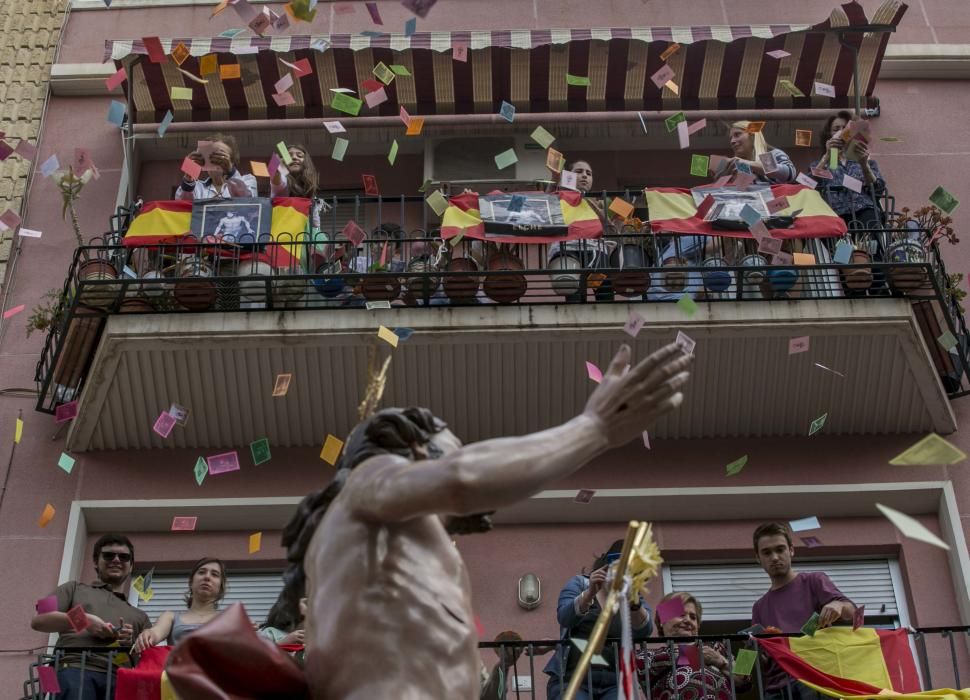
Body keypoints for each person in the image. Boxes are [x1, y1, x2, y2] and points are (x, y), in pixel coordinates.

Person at [277, 342, 691, 699]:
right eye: (454, 448)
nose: (464, 457)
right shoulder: (369, 479)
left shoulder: (403, 547)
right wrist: (593, 428)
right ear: (416, 451)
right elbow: (463, 478)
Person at [30, 533, 150, 699]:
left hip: (121, 681)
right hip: (73, 669)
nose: (116, 560)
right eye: (108, 555)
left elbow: (148, 662)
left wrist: (130, 644)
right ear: (95, 562)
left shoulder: (140, 616)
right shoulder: (71, 588)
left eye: (123, 557)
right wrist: (84, 621)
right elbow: (39, 620)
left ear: (130, 566)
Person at [751, 522, 856, 700]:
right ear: (758, 558)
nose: (775, 557)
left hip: (814, 680)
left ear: (791, 550)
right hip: (775, 691)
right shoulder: (759, 606)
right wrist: (736, 670)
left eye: (780, 549)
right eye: (767, 552)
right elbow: (751, 651)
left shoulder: (814, 581)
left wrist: (838, 605)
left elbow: (852, 613)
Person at [544, 539, 653, 699]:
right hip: (573, 677)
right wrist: (589, 593)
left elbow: (644, 631)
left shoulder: (631, 595)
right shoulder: (580, 583)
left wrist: (633, 601)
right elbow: (565, 617)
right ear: (609, 562)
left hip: (615, 681)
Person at [640, 591, 748, 700]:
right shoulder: (650, 656)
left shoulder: (716, 646)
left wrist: (721, 661)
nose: (687, 620)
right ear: (662, 621)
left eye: (693, 617)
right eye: (681, 615)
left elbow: (746, 681)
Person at [132, 558, 226, 652]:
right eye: (201, 572)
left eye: (214, 574)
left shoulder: (228, 620)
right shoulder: (170, 617)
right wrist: (148, 634)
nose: (207, 577)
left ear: (221, 587)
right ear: (191, 582)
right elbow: (156, 632)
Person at [813, 111, 887, 229]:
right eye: (836, 129)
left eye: (845, 128)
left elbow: (878, 190)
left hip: (863, 209)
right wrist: (827, 156)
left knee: (871, 221)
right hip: (834, 214)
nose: (841, 132)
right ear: (828, 135)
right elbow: (809, 184)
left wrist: (864, 165)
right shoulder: (825, 163)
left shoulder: (867, 161)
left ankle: (870, 246)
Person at [176, 133, 257, 201]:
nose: (216, 161)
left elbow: (248, 202)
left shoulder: (248, 180)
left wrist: (229, 172)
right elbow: (182, 207)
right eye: (210, 156)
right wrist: (189, 176)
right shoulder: (197, 187)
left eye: (221, 156)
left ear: (232, 162)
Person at [720, 122, 798, 184]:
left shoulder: (769, 155)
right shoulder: (739, 166)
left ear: (752, 135)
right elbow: (743, 193)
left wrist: (747, 163)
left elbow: (790, 174)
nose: (732, 141)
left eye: (737, 134)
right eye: (730, 138)